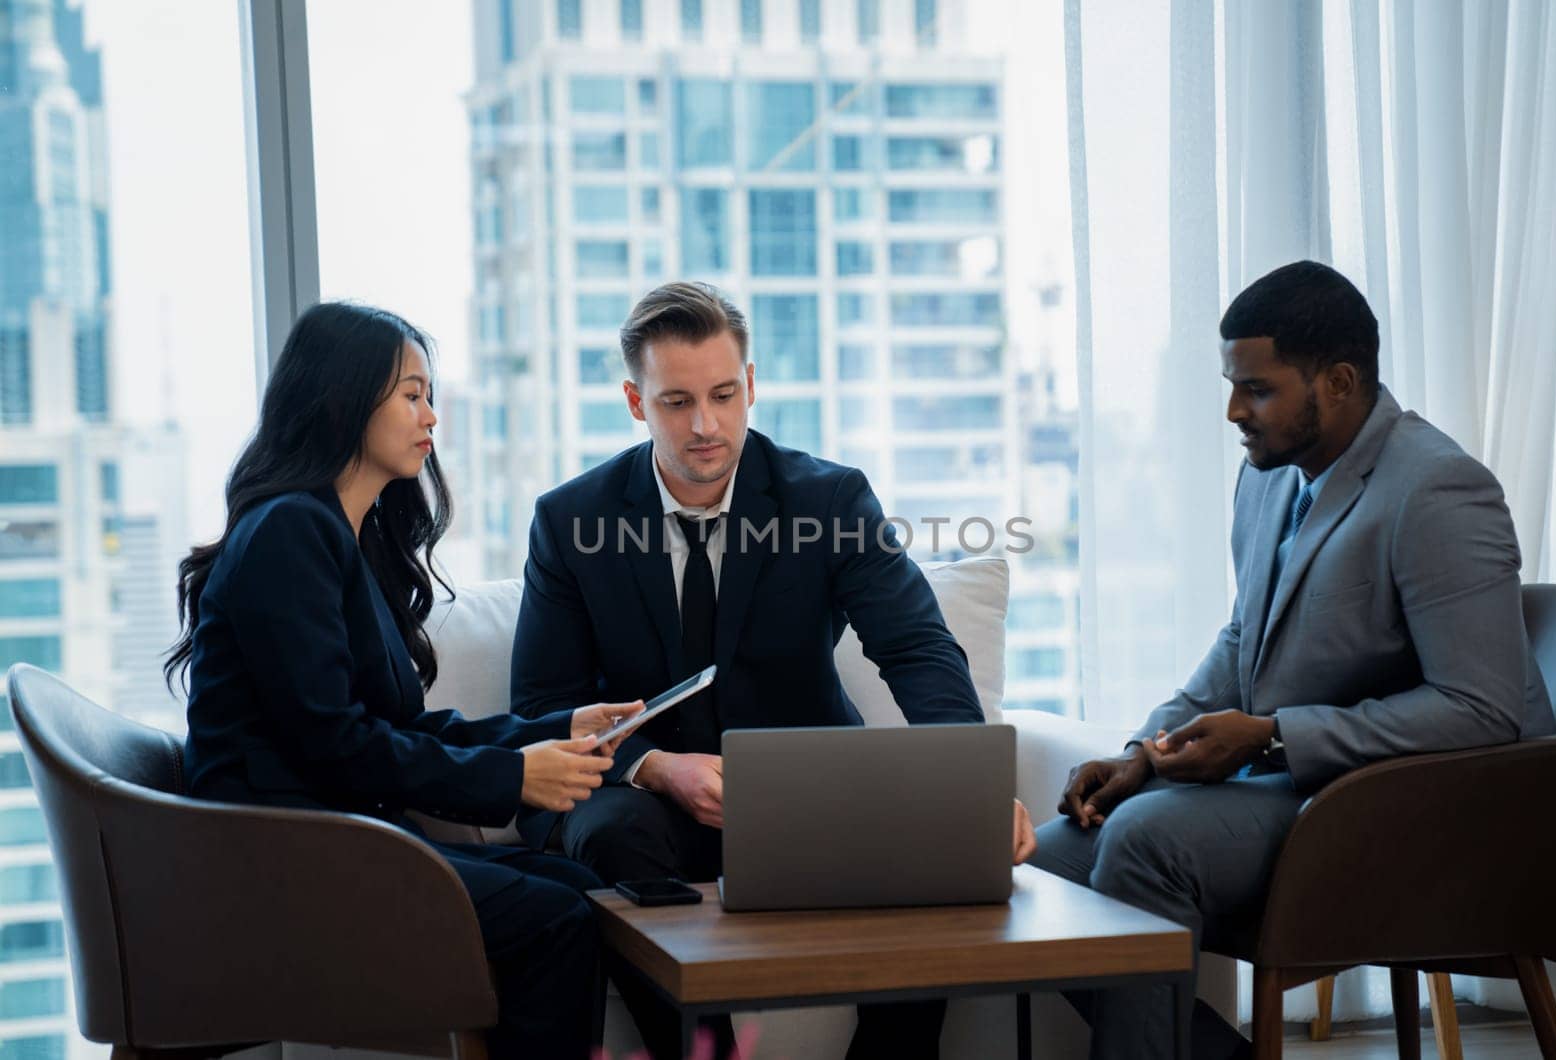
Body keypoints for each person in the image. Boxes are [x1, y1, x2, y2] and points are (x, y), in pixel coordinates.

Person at [1028, 261, 1556, 1059]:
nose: (1234, 411)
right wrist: (1146, 751)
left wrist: (1272, 736)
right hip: (1312, 790)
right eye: (1233, 385)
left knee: (1144, 844)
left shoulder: (1439, 490)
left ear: (1338, 381)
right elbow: (1245, 639)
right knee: (1051, 862)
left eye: (1259, 389)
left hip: (1430, 814)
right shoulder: (1268, 476)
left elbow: (1482, 708)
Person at [510, 280, 1037, 1059]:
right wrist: (655, 767)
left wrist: (971, 787)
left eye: (725, 394)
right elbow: (542, 704)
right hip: (644, 806)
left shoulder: (830, 498)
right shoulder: (569, 519)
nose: (705, 425)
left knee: (940, 845)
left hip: (808, 793)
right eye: (676, 402)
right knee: (610, 834)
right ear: (634, 401)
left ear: (751, 384)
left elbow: (916, 647)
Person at [169, 302, 646, 1060]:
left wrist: (553, 732)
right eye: (412, 394)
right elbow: (336, 744)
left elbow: (395, 729)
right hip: (288, 862)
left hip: (342, 845)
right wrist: (512, 776)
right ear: (347, 398)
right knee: (557, 918)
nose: (432, 416)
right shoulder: (291, 531)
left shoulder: (339, 536)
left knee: (571, 887)